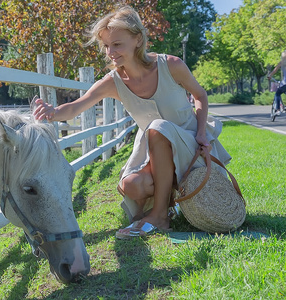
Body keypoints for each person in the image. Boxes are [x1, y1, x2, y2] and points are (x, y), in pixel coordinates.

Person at [33, 6, 231, 239]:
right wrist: (53, 112)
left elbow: (200, 96)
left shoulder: (171, 65)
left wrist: (200, 133)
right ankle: (172, 203)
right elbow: (77, 106)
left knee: (157, 128)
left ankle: (160, 216)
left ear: (138, 39)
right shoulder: (113, 82)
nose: (110, 52)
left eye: (117, 44)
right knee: (132, 186)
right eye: (106, 46)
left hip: (190, 147)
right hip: (154, 152)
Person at [267, 50, 286, 116]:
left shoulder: (282, 62)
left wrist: (270, 75)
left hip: (284, 84)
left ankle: (278, 110)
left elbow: (275, 70)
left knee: (277, 94)